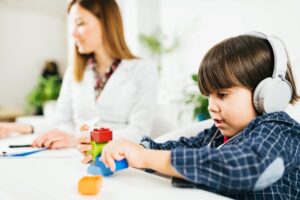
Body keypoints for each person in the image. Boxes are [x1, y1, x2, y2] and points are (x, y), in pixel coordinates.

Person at [79, 32, 300, 199]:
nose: (212, 106)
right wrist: (125, 151)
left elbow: (247, 166)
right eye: (209, 96)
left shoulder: (280, 130)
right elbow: (176, 149)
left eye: (222, 94)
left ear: (268, 95)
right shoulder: (215, 135)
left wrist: (145, 158)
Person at [0, 0, 158, 148]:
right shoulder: (75, 71)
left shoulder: (143, 70)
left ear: (106, 23)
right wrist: (17, 127)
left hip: (120, 160)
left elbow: (139, 133)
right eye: (72, 26)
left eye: (80, 23)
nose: (73, 33)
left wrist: (81, 139)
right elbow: (60, 121)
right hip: (75, 157)